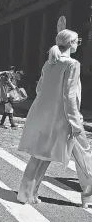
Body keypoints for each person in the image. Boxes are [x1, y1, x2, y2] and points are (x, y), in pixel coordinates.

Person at [16, 29, 92, 207]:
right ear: (71, 43)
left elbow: (39, 90)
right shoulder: (72, 64)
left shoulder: (49, 63)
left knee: (41, 155)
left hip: (46, 116)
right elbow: (69, 95)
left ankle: (26, 194)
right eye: (77, 41)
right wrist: (75, 122)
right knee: (84, 155)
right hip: (67, 118)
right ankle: (88, 195)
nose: (78, 44)